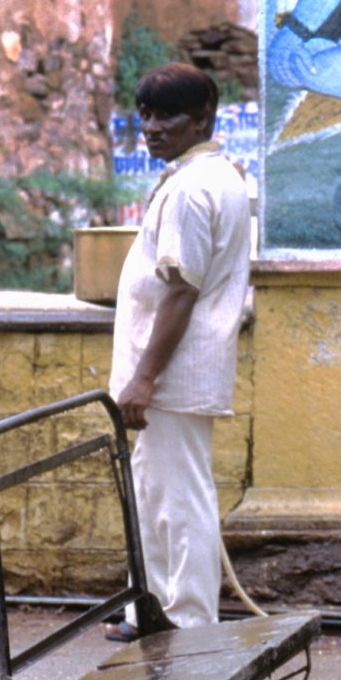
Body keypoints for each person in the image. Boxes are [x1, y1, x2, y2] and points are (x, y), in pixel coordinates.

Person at [107, 63, 253, 638]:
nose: (152, 127)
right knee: (159, 494)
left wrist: (144, 378)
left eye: (167, 115)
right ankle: (151, 611)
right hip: (177, 371)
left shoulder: (192, 189)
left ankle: (189, 622)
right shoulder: (210, 177)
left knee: (179, 499)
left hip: (172, 373)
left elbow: (181, 291)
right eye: (145, 114)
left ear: (202, 119)